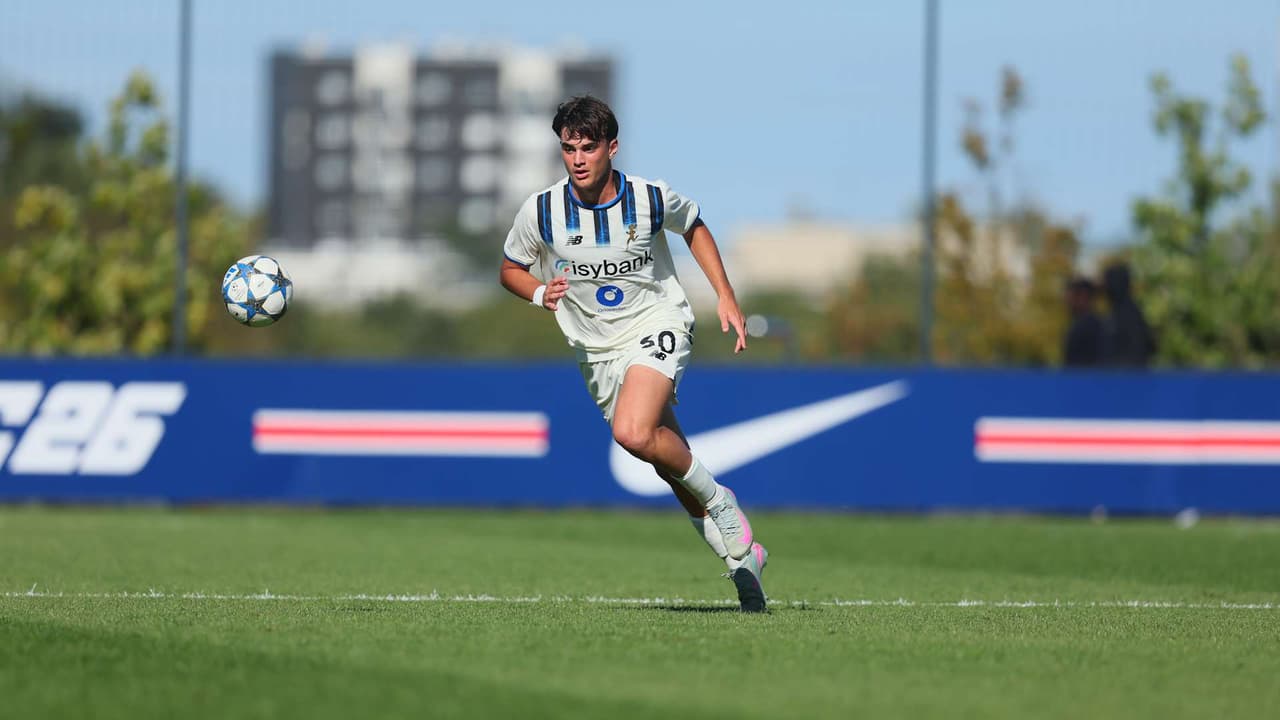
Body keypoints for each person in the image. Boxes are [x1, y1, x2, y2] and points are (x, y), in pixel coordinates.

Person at [498, 96, 768, 612]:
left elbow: (695, 226)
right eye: (568, 148)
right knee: (666, 457)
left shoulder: (648, 197)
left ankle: (722, 505)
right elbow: (510, 268)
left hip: (657, 322)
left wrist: (726, 295)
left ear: (612, 148)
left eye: (588, 148)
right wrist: (538, 292)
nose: (578, 159)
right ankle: (740, 557)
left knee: (632, 432)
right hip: (595, 350)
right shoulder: (541, 210)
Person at [1100, 262, 1156, 368]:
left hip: (1127, 379)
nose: (1106, 288)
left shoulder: (1129, 314)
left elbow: (1139, 350)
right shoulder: (1117, 312)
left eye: (1109, 283)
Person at [1062, 277, 1103, 367]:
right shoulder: (1098, 323)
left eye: (1071, 297)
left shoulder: (1088, 326)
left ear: (1083, 297)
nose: (1067, 302)